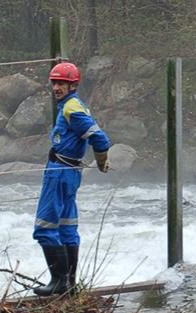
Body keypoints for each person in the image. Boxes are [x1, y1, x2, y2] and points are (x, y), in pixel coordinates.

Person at [32, 62, 112, 296]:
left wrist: (101, 160)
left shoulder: (72, 109)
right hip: (70, 173)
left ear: (73, 85)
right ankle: (70, 285)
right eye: (54, 83)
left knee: (44, 228)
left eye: (62, 83)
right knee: (67, 228)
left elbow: (99, 138)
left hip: (59, 172)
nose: (56, 87)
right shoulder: (73, 104)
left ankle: (58, 282)